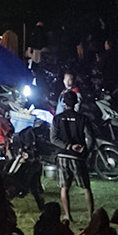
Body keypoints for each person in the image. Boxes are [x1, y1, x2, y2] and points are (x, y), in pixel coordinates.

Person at [51, 91, 96, 224]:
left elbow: (53, 139)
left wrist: (68, 146)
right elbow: (90, 138)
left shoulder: (57, 118)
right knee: (86, 187)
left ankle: (67, 215)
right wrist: (86, 151)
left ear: (64, 102)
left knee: (64, 187)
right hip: (78, 157)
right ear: (76, 102)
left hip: (63, 156)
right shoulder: (82, 118)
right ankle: (90, 216)